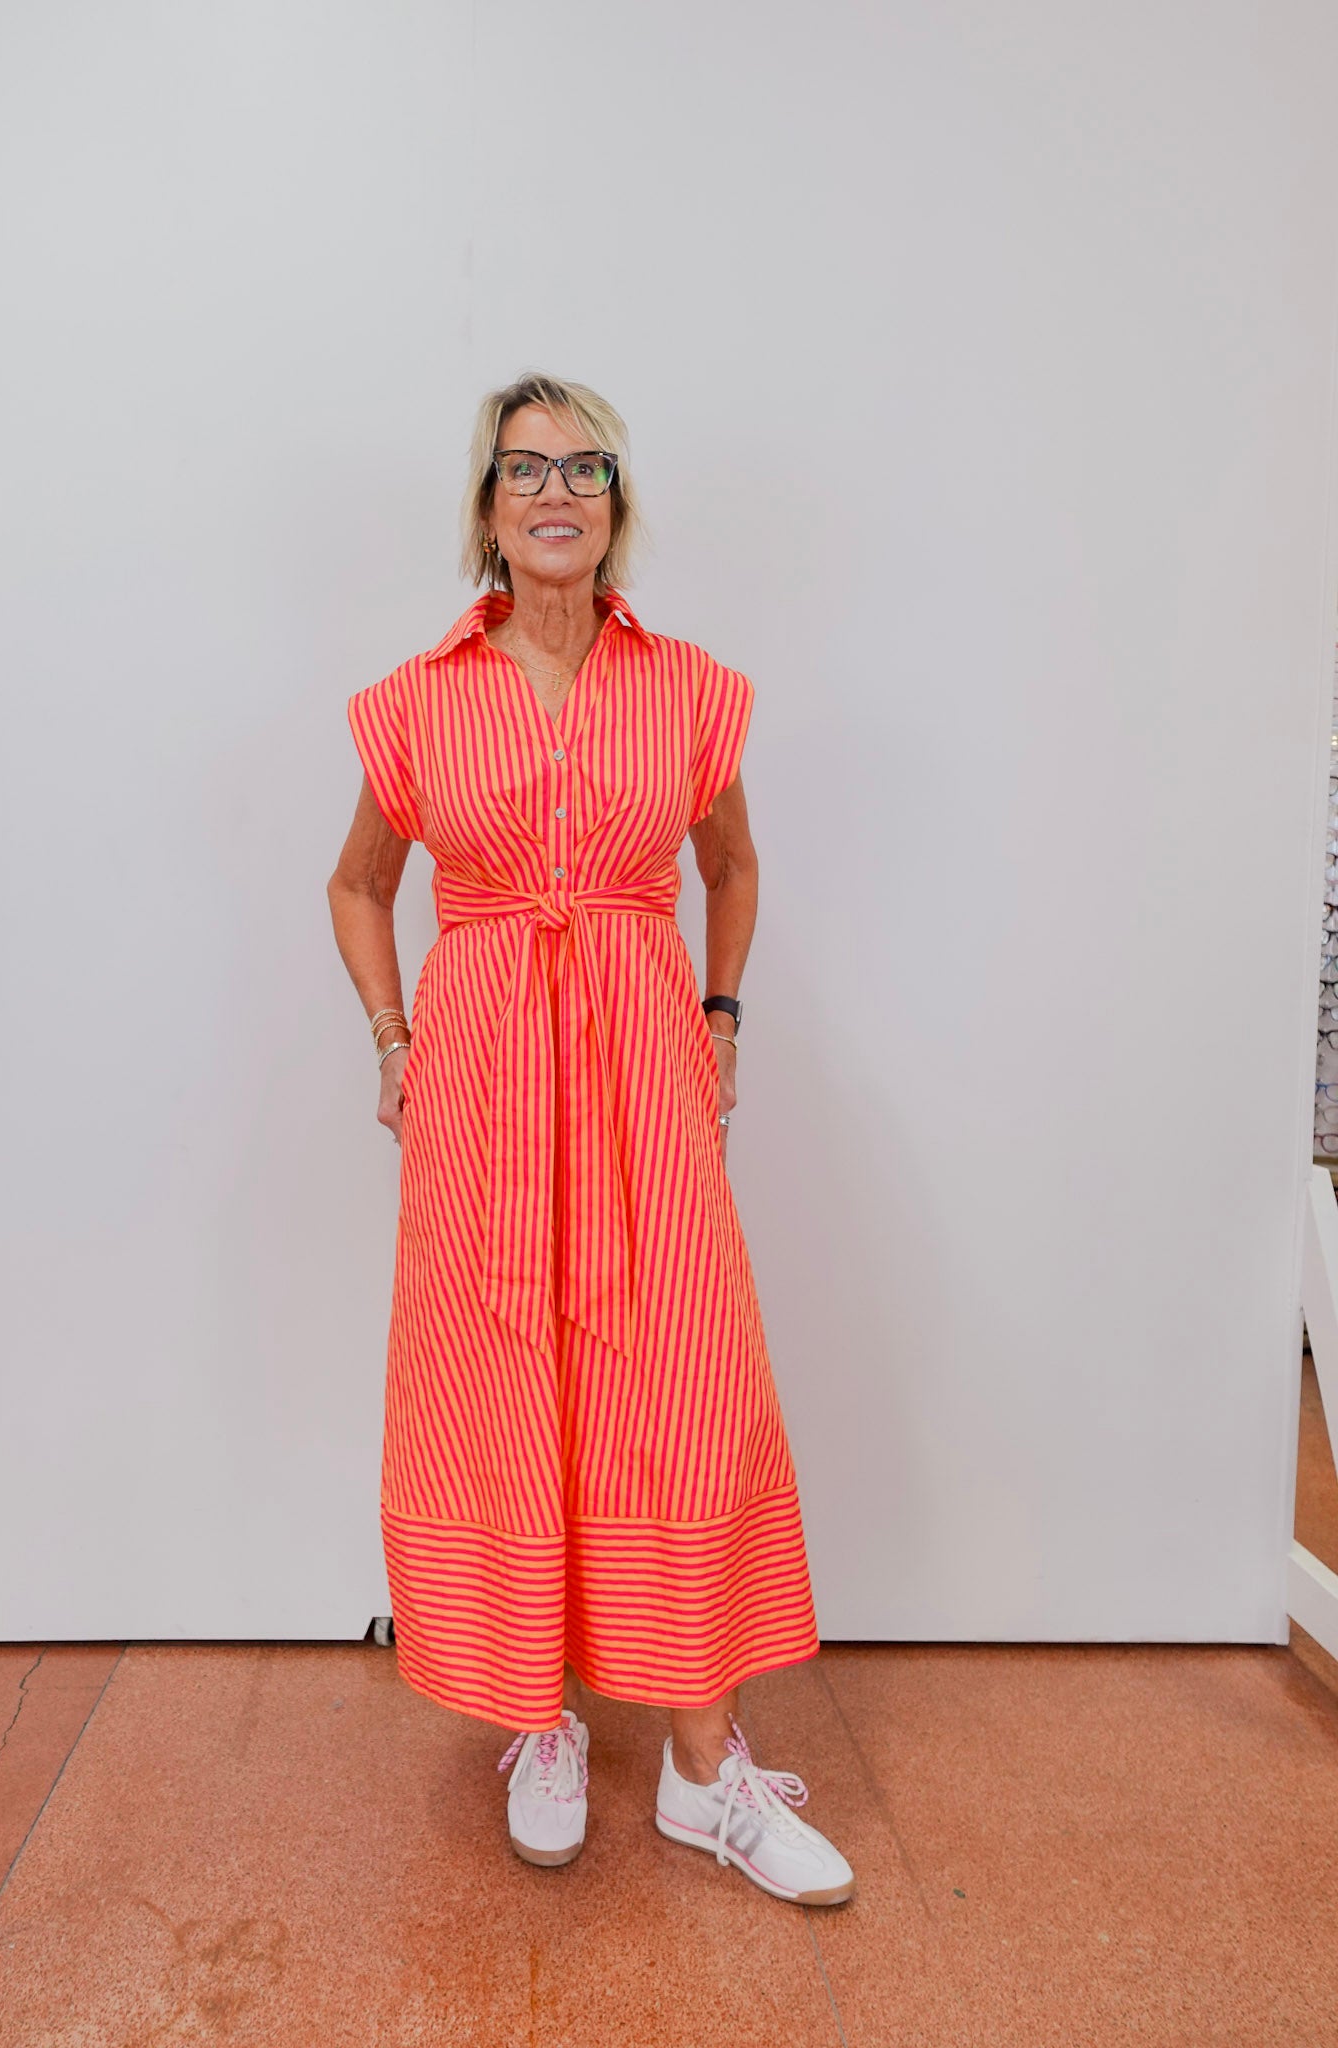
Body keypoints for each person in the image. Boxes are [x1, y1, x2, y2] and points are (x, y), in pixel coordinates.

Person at [327, 371, 854, 1906]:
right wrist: (392, 1039)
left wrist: (724, 1012)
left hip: (639, 1060)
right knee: (503, 1385)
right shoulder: (421, 697)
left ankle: (705, 1770)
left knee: (679, 1379)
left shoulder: (688, 688)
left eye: (586, 467)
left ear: (619, 503)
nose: (555, 494)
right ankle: (537, 1719)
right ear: (487, 510)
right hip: (486, 1069)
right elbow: (359, 881)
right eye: (523, 471)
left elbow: (732, 863)